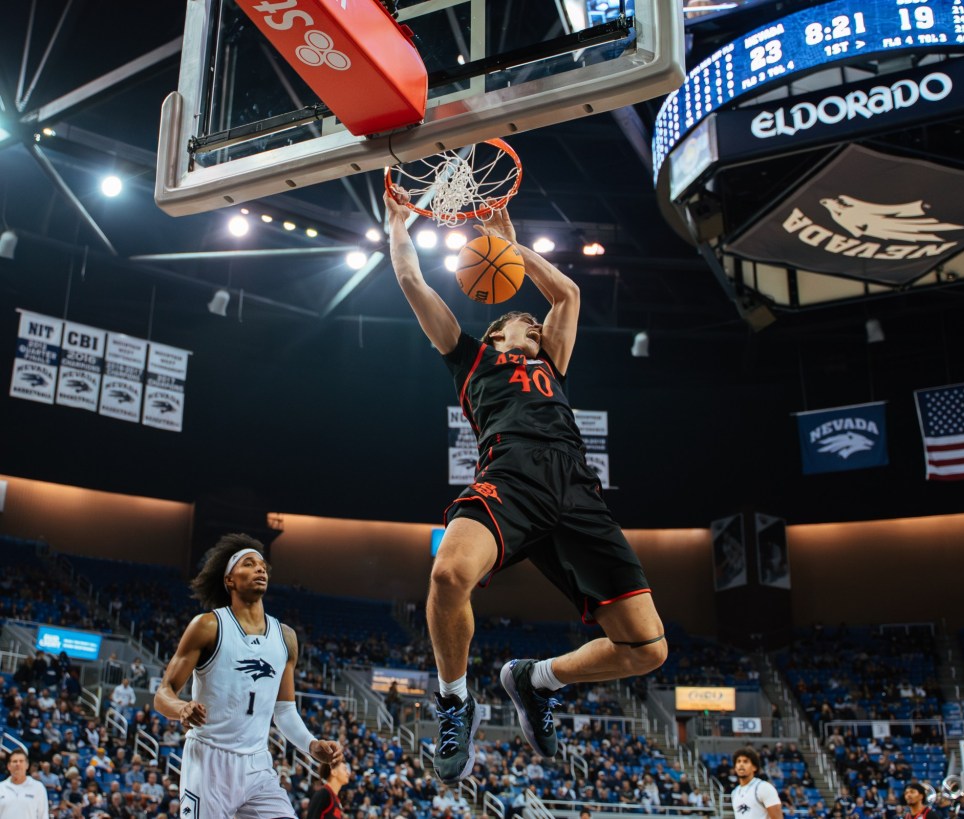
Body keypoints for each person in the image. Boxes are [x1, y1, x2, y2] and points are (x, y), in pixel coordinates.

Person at [384, 188, 667, 785]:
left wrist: (507, 243)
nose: (537, 324)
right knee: (447, 574)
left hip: (576, 488)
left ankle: (536, 679)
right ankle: (456, 700)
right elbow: (412, 282)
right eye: (525, 322)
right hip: (509, 474)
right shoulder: (468, 357)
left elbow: (569, 293)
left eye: (539, 326)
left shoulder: (553, 361)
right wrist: (397, 224)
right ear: (497, 334)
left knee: (647, 650)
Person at [154, 533, 343, 818]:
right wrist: (182, 708)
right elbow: (163, 693)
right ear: (229, 579)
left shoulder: (286, 637)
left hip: (257, 766)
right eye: (249, 563)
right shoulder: (208, 626)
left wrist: (311, 745)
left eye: (262, 565)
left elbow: (284, 711)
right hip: (209, 761)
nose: (260, 569)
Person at [731, 748, 783, 819]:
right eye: (738, 761)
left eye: (745, 761)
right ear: (735, 768)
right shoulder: (734, 793)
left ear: (754, 767)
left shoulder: (763, 788)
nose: (741, 764)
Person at [0, 748, 48, 819]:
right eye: (14, 761)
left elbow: (43, 816)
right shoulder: (1, 787)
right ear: (8, 766)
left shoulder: (38, 787)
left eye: (21, 761)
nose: (18, 764)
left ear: (27, 765)